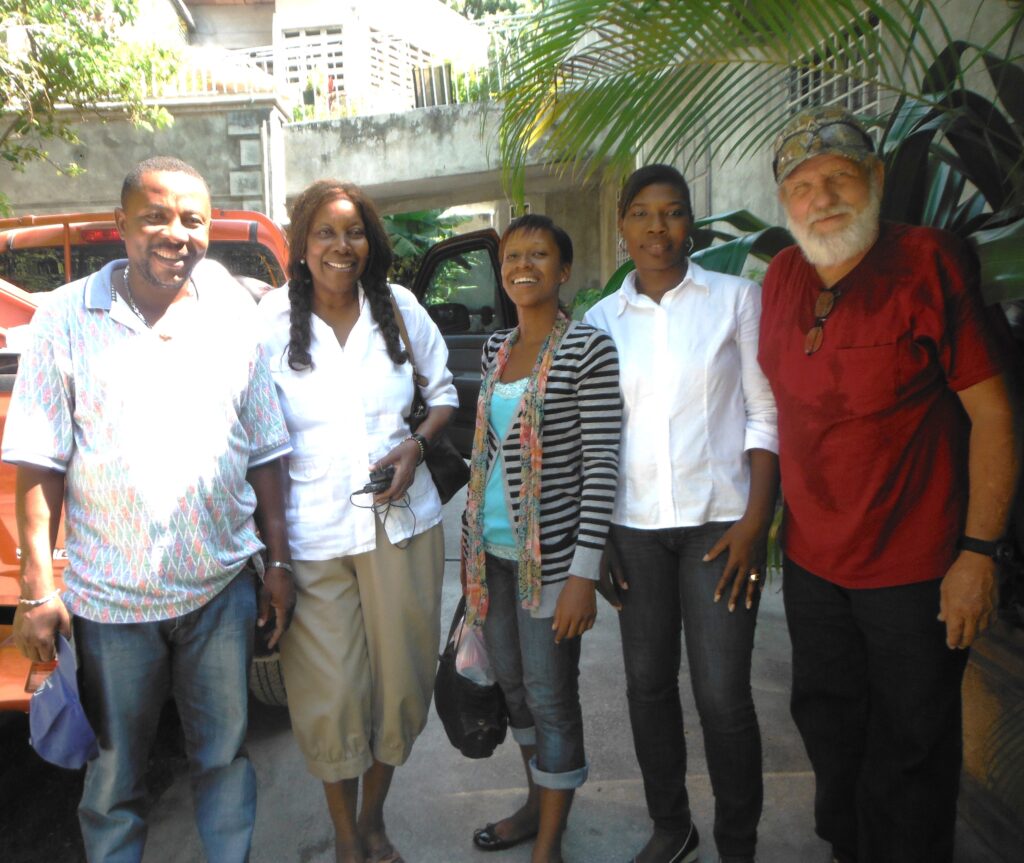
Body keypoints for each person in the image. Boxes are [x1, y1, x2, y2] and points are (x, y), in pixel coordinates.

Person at [2, 156, 294, 862]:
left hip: (220, 590)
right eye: (156, 216)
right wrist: (38, 588)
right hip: (110, 605)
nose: (176, 233)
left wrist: (280, 563)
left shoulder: (233, 311)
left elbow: (266, 448)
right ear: (122, 224)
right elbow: (39, 461)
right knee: (114, 778)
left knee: (223, 759)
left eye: (192, 219)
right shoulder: (65, 317)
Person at [758, 105, 1018, 863]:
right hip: (813, 564)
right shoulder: (781, 277)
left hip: (915, 566)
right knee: (829, 727)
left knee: (911, 748)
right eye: (802, 186)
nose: (822, 198)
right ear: (785, 203)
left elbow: (993, 415)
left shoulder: (927, 261)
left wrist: (978, 554)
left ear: (874, 177)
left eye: (840, 177)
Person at [256, 179, 457, 863]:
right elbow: (252, 431)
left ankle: (373, 819)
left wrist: (417, 445)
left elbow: (444, 394)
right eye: (325, 232)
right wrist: (270, 554)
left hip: (400, 525)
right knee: (329, 695)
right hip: (310, 536)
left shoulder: (397, 307)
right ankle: (346, 836)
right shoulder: (269, 320)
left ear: (370, 241)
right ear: (301, 245)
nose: (341, 246)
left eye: (354, 232)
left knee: (401, 685)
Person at [584, 164, 779, 863]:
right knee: (647, 685)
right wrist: (597, 537)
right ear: (623, 226)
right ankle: (672, 826)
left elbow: (764, 412)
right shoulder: (600, 321)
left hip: (720, 527)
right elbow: (594, 435)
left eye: (671, 212)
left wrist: (756, 523)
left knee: (723, 695)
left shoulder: (737, 300)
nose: (657, 227)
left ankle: (737, 844)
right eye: (641, 213)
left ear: (690, 222)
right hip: (633, 530)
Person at [462, 214, 621, 863]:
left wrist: (584, 573)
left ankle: (549, 844)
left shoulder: (587, 349)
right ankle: (535, 804)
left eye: (539, 254)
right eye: (512, 256)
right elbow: (486, 454)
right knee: (515, 691)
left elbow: (601, 465)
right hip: (491, 558)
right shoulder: (496, 349)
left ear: (564, 271)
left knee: (552, 697)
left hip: (550, 565)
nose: (523, 265)